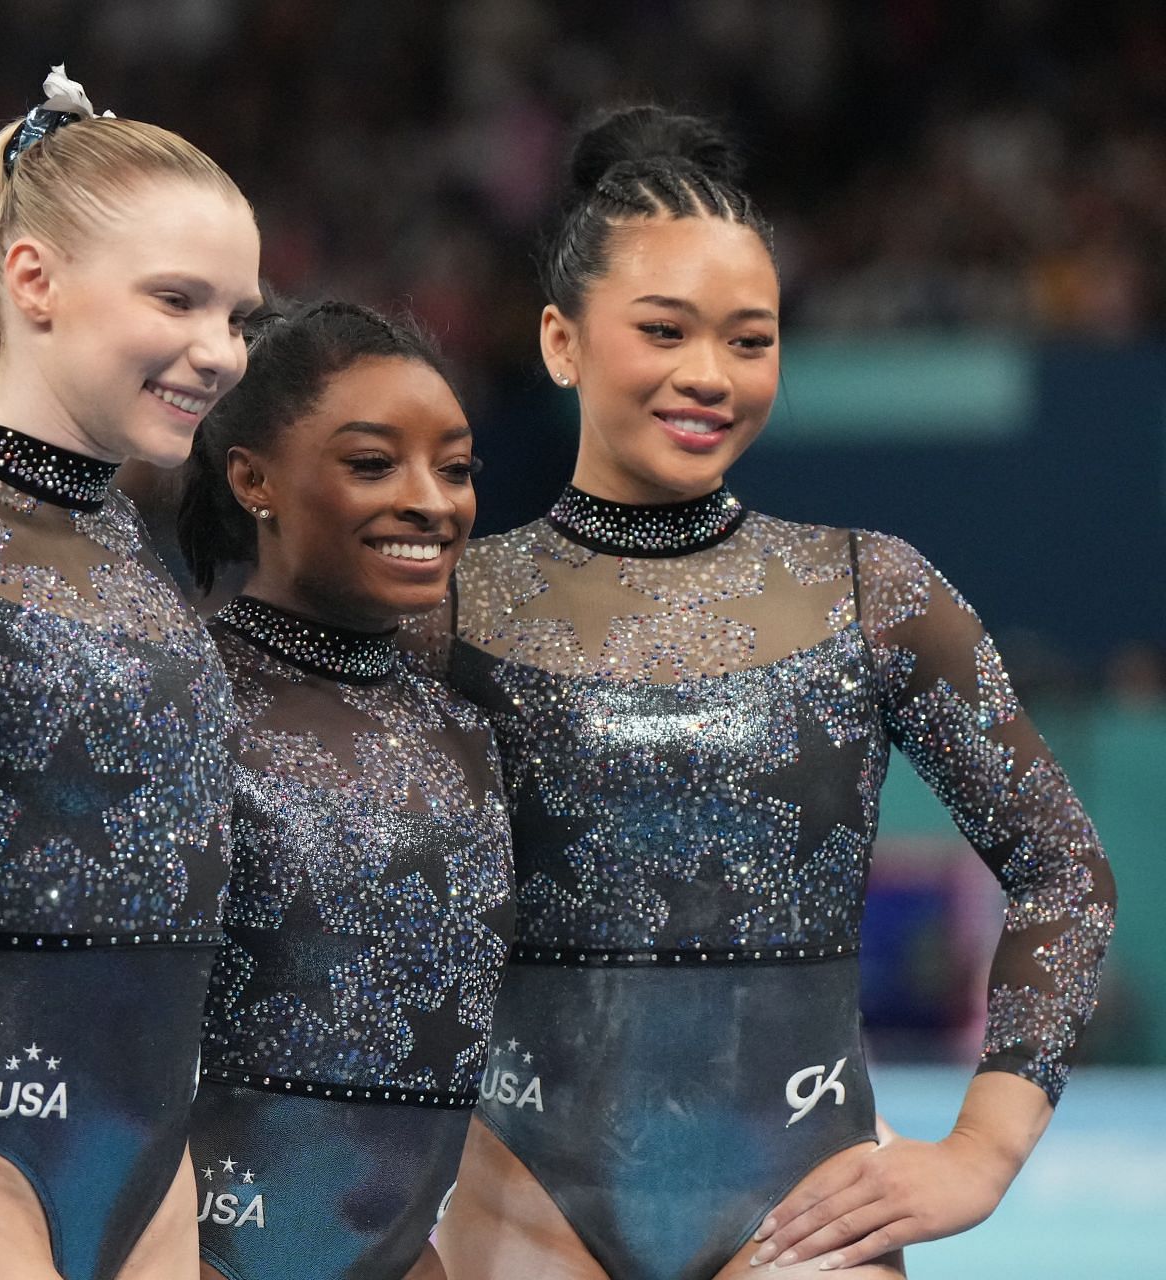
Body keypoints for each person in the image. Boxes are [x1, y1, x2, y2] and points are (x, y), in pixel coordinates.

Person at [428, 107, 1116, 1280]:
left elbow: (1065, 870)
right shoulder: (447, 607)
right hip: (521, 1196)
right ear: (560, 340)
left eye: (752, 339)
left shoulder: (869, 588)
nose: (710, 375)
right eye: (664, 330)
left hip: (804, 1206)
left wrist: (982, 1153)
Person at [0, 66, 262, 1280]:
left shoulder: (129, 548)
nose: (221, 353)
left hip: (148, 1151)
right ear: (32, 278)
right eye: (179, 301)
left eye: (240, 316)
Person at [175, 300, 514, 1280]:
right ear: (253, 478)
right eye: (373, 464)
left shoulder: (467, 731)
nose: (431, 501)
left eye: (455, 469)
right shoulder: (184, 698)